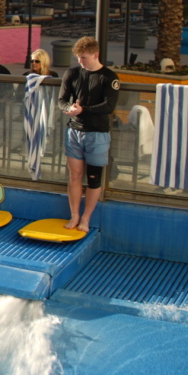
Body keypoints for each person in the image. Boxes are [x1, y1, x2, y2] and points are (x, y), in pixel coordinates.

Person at [58, 36, 120, 233]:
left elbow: (108, 106)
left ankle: (86, 217)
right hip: (74, 130)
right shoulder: (73, 73)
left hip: (97, 133)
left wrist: (83, 110)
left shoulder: (109, 77)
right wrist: (70, 108)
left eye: (84, 58)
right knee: (75, 175)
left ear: (95, 55)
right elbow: (62, 99)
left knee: (93, 178)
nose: (80, 62)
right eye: (78, 57)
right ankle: (75, 214)